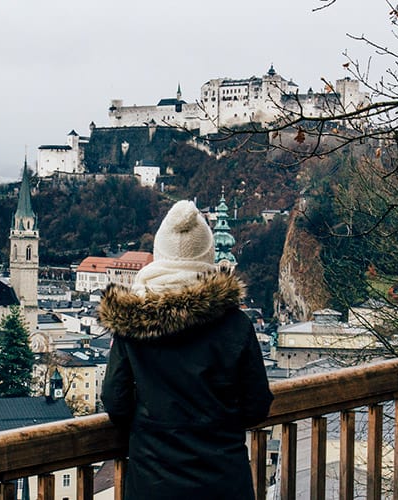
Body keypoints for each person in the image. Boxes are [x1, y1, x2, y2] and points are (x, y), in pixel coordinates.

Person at [100, 200, 273, 500]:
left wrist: (153, 428)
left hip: (153, 482)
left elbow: (115, 401)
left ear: (159, 256)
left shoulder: (132, 322)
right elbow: (257, 404)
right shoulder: (235, 324)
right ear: (207, 256)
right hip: (223, 480)